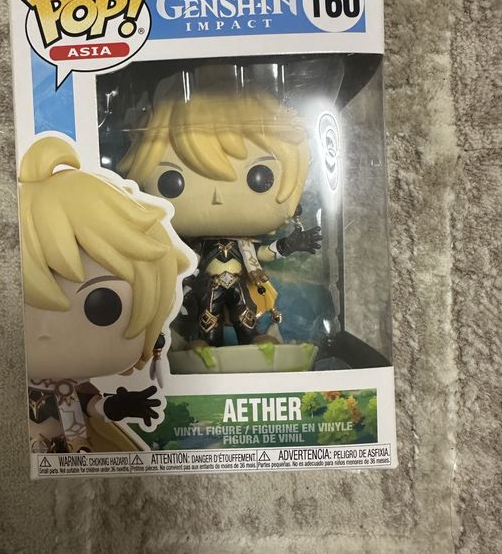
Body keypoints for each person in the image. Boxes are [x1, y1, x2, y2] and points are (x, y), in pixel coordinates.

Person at [20, 136, 188, 453]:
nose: (45, 331)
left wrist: (119, 405)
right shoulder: (4, 387)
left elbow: (92, 405)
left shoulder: (69, 389)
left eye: (102, 306)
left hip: (75, 451)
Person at [118, 89, 321, 347]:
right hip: (210, 286)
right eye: (172, 181)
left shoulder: (244, 245)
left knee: (245, 314)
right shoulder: (199, 246)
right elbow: (186, 262)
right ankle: (206, 343)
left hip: (238, 285)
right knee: (208, 316)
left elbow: (262, 254)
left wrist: (289, 245)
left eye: (259, 177)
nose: (217, 196)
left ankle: (251, 339)